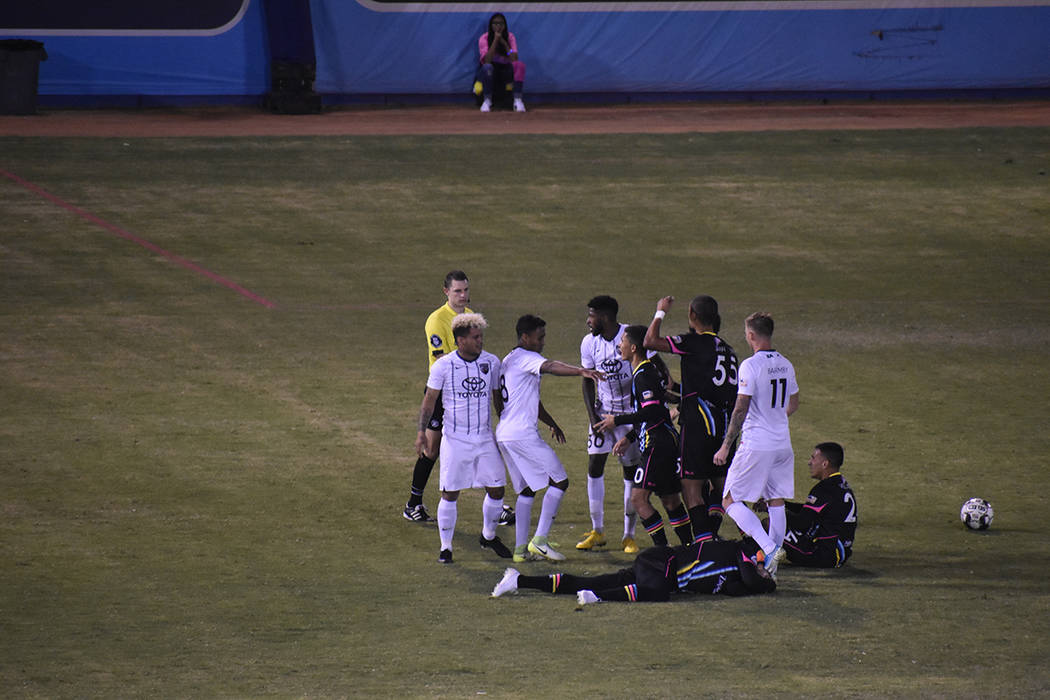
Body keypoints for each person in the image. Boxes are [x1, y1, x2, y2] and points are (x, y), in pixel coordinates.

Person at [403, 270, 513, 527]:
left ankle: (496, 502)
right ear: (446, 292)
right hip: (443, 393)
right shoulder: (437, 320)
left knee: (476, 441)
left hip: (463, 391)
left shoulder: (469, 316)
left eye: (465, 290)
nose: (463, 296)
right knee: (432, 450)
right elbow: (441, 359)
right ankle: (413, 504)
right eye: (457, 291)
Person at [497, 314, 605, 563]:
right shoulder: (528, 357)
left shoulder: (509, 358)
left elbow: (525, 400)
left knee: (525, 491)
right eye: (540, 337)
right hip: (522, 434)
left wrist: (551, 423)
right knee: (560, 481)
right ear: (525, 337)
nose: (543, 342)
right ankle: (540, 541)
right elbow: (550, 366)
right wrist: (581, 371)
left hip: (504, 433)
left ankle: (520, 551)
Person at [415, 313, 512, 563]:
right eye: (475, 337)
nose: (480, 341)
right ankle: (445, 548)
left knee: (497, 488)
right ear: (460, 340)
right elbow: (429, 402)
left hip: (483, 438)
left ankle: (488, 536)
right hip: (455, 439)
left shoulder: (491, 362)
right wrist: (421, 432)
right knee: (450, 493)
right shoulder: (443, 366)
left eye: (481, 336)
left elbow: (497, 399)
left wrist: (507, 428)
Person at [579, 295, 670, 554]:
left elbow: (656, 367)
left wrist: (667, 386)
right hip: (602, 414)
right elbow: (586, 379)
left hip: (630, 416)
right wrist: (593, 417)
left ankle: (628, 536)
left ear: (605, 317)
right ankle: (597, 531)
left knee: (630, 471)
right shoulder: (589, 343)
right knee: (594, 465)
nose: (588, 321)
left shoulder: (631, 336)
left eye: (592, 315)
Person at [644, 294, 739, 541]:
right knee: (723, 488)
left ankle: (704, 546)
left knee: (691, 488)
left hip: (698, 427)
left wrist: (660, 312)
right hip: (724, 428)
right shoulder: (729, 351)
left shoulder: (693, 342)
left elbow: (649, 341)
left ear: (692, 316)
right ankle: (755, 541)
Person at [714, 312, 799, 576]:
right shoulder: (786, 364)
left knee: (729, 500)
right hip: (782, 443)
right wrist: (774, 420)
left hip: (757, 444)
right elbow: (793, 403)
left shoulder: (750, 366)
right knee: (775, 500)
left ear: (751, 335)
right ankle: (772, 570)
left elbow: (741, 408)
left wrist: (726, 446)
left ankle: (768, 547)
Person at [594, 325, 692, 548]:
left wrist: (616, 420)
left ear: (634, 347)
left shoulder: (643, 376)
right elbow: (652, 412)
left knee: (638, 499)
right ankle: (690, 547)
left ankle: (662, 550)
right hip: (664, 440)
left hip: (657, 444)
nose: (620, 346)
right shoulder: (646, 371)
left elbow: (653, 411)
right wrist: (629, 437)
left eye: (623, 342)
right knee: (670, 500)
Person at [490, 537, 776, 604]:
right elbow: (751, 578)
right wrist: (767, 582)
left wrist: (762, 582)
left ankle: (519, 580)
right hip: (661, 562)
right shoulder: (740, 550)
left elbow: (740, 588)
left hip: (658, 569)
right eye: (761, 561)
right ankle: (597, 598)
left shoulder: (732, 575)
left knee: (590, 581)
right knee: (658, 593)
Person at [780, 442, 857, 568]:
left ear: (825, 464)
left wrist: (775, 511)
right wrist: (783, 505)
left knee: (770, 524)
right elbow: (809, 512)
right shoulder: (841, 484)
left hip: (823, 555)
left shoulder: (823, 489)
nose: (810, 462)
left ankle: (764, 560)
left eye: (813, 458)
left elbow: (802, 524)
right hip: (840, 552)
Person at [476, 13, 526, 113]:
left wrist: (504, 43)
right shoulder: (484, 38)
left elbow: (514, 59)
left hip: (505, 70)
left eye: (501, 23)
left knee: (520, 65)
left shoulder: (510, 37)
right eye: (495, 23)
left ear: (504, 25)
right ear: (491, 25)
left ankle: (517, 100)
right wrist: (495, 40)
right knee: (487, 68)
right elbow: (487, 60)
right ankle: (487, 100)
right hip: (490, 71)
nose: (498, 26)